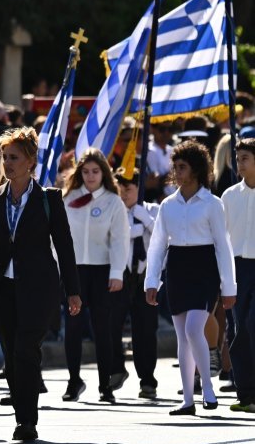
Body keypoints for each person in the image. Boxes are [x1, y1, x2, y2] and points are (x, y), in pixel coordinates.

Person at [0, 126, 80, 443]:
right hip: (4, 289)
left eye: (14, 157)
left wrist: (73, 290)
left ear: (30, 161)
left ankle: (27, 421)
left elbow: (64, 246)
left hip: (39, 288)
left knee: (27, 349)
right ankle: (21, 414)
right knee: (12, 357)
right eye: (4, 157)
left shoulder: (49, 200)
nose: (7, 163)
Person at [146, 140, 236, 415]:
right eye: (175, 166)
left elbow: (223, 245)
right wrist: (152, 282)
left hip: (204, 269)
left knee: (193, 329)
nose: (177, 171)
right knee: (182, 337)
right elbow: (158, 245)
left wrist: (228, 286)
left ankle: (207, 388)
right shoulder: (167, 205)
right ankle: (187, 399)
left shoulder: (213, 203)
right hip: (178, 270)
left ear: (196, 169)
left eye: (182, 166)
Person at [61, 149, 130, 403]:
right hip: (75, 271)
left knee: (102, 329)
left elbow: (120, 240)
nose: (90, 176)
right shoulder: (69, 199)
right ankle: (73, 380)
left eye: (95, 171)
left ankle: (105, 384)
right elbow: (58, 237)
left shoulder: (113, 201)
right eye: (86, 172)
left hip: (102, 271)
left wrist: (117, 272)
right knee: (73, 328)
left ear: (104, 173)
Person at [111, 169, 160, 399]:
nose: (124, 194)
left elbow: (162, 236)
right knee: (112, 326)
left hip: (144, 277)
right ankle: (117, 369)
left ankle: (147, 380)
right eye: (120, 189)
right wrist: (136, 229)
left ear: (139, 189)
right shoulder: (114, 211)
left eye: (128, 189)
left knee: (145, 332)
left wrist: (144, 219)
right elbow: (113, 236)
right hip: (121, 275)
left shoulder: (153, 210)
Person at [221, 137, 255, 412]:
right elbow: (222, 239)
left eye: (245, 157)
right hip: (237, 268)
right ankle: (245, 393)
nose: (239, 163)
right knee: (237, 328)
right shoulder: (229, 196)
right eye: (238, 157)